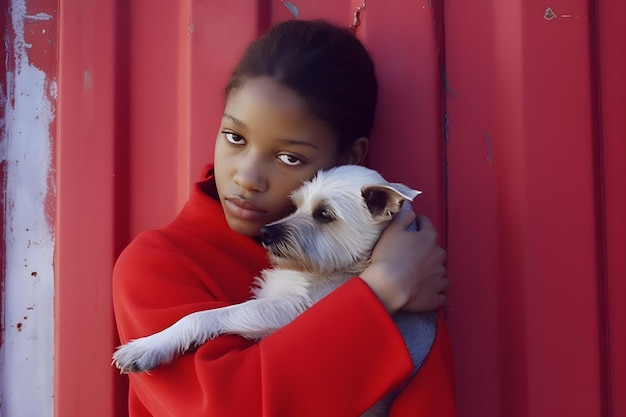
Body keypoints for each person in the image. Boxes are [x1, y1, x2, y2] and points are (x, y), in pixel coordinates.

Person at [113, 19, 457, 417]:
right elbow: (225, 408)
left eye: (289, 157)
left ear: (348, 160)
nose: (247, 177)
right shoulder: (156, 264)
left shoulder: (406, 263)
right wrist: (380, 289)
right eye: (234, 137)